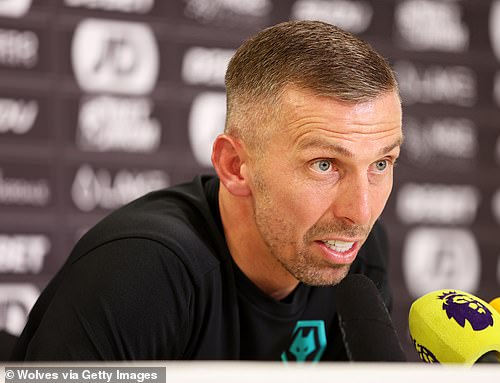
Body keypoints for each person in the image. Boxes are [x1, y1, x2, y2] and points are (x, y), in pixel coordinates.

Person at [12, 20, 403, 361]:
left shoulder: (356, 253)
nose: (361, 212)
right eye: (324, 165)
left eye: (381, 164)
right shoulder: (143, 271)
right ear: (235, 166)